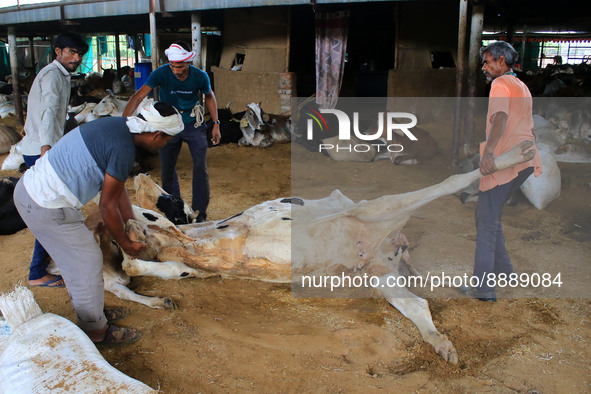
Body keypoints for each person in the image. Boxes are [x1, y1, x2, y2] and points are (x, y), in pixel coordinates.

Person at [14, 101, 184, 345]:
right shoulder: (123, 148)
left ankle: (91, 317)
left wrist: (131, 222)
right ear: (156, 134)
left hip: (35, 194)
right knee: (87, 260)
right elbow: (106, 206)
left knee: (76, 264)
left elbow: (118, 191)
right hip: (45, 204)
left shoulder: (118, 127)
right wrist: (125, 243)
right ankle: (96, 332)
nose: (165, 144)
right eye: (166, 140)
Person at [461, 41, 542, 302]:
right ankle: (505, 272)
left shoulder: (500, 84)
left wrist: (489, 153)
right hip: (524, 160)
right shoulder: (521, 86)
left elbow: (501, 118)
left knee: (485, 222)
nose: (484, 67)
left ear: (502, 62)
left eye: (487, 61)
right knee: (488, 215)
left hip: (505, 161)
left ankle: (483, 288)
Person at [19, 31, 89, 288]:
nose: (76, 57)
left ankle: (43, 265)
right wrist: (47, 150)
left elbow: (58, 115)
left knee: (52, 209)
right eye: (71, 51)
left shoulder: (60, 75)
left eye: (80, 53)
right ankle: (37, 271)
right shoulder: (52, 75)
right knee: (51, 210)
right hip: (40, 150)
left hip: (42, 147)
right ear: (57, 51)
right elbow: (48, 112)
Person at [123, 41, 221, 222]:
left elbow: (209, 96)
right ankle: (176, 210)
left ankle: (200, 212)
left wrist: (216, 123)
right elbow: (138, 96)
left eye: (181, 66)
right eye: (173, 66)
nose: (176, 70)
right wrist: (123, 123)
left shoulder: (200, 76)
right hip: (168, 125)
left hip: (193, 123)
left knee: (200, 167)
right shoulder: (160, 73)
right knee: (167, 169)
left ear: (188, 63)